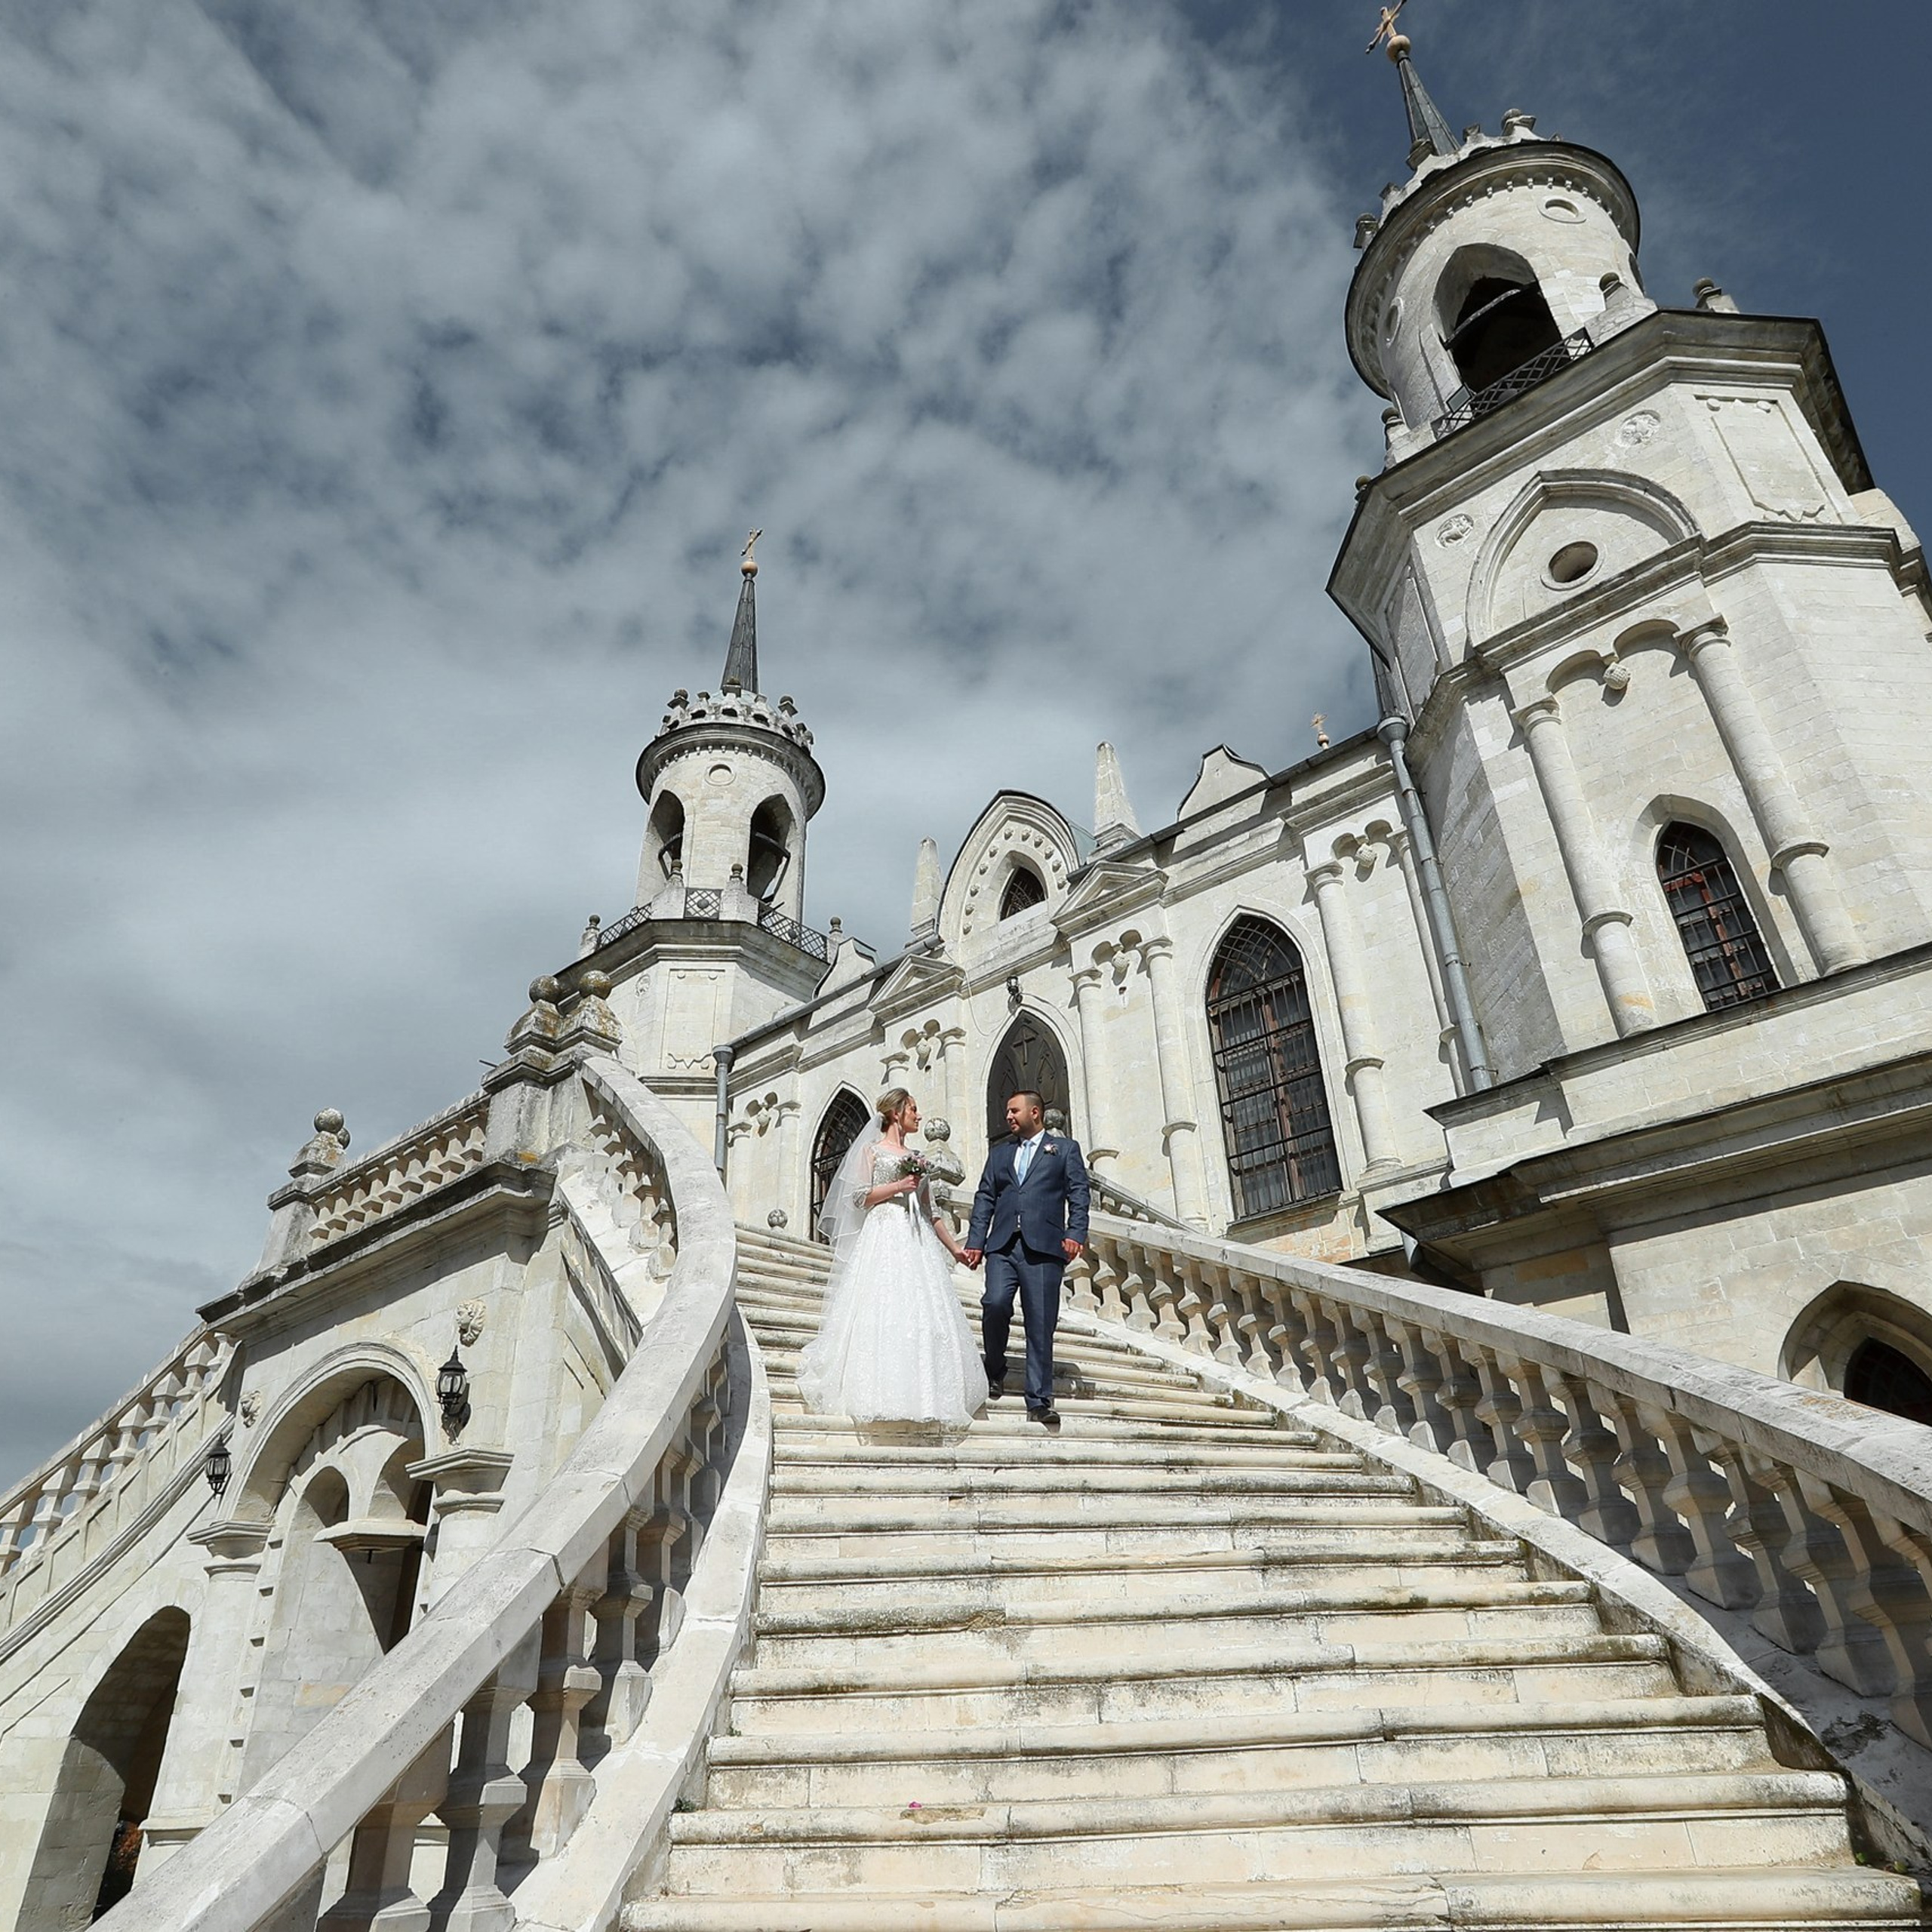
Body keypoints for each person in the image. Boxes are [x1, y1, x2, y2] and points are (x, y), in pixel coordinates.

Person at [796, 1088, 989, 1424]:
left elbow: (932, 1213)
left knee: (922, 1309)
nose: (919, 1115)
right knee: (883, 1305)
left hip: (917, 1236)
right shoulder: (872, 1151)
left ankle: (927, 1393)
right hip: (883, 1232)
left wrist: (955, 1249)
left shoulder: (918, 1158)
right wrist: (899, 1187)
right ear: (897, 1113)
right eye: (913, 1109)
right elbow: (859, 1197)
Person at [963, 1091, 1090, 1427]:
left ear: (1035, 1112)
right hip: (1003, 1246)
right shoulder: (999, 1154)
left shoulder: (1064, 1150)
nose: (1008, 1116)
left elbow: (1079, 1194)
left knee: (1040, 1322)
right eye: (1007, 1111)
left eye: (1014, 1111)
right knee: (994, 1303)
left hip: (1044, 1248)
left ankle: (1039, 1400)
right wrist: (976, 1241)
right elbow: (985, 1197)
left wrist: (1076, 1233)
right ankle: (994, 1368)